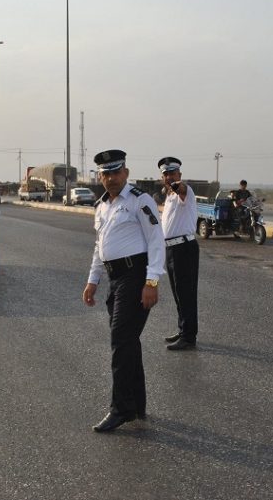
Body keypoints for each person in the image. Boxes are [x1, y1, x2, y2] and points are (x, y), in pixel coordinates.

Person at [82, 149, 165, 432]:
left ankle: (120, 409)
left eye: (115, 172)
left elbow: (156, 241)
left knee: (120, 340)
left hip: (135, 275)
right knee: (128, 342)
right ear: (100, 177)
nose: (111, 178)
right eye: (105, 174)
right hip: (114, 278)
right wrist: (93, 280)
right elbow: (99, 247)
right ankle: (137, 404)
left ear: (125, 173)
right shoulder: (102, 205)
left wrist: (151, 282)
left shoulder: (140, 201)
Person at [158, 156, 200, 350]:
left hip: (184, 249)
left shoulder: (185, 191)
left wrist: (176, 185)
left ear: (179, 175)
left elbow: (181, 188)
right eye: (165, 174)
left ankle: (189, 337)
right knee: (178, 294)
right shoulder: (169, 197)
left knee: (186, 294)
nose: (169, 177)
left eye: (172, 173)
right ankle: (183, 329)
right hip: (172, 249)